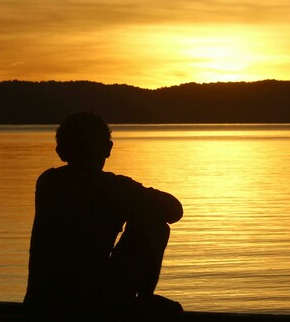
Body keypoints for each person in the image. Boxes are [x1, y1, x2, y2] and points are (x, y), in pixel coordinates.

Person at [24, 112, 184, 321]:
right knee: (155, 226)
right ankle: (144, 299)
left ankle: (138, 303)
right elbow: (174, 211)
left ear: (60, 152)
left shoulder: (47, 182)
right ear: (108, 149)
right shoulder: (115, 188)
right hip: (91, 305)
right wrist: (137, 205)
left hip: (40, 305)